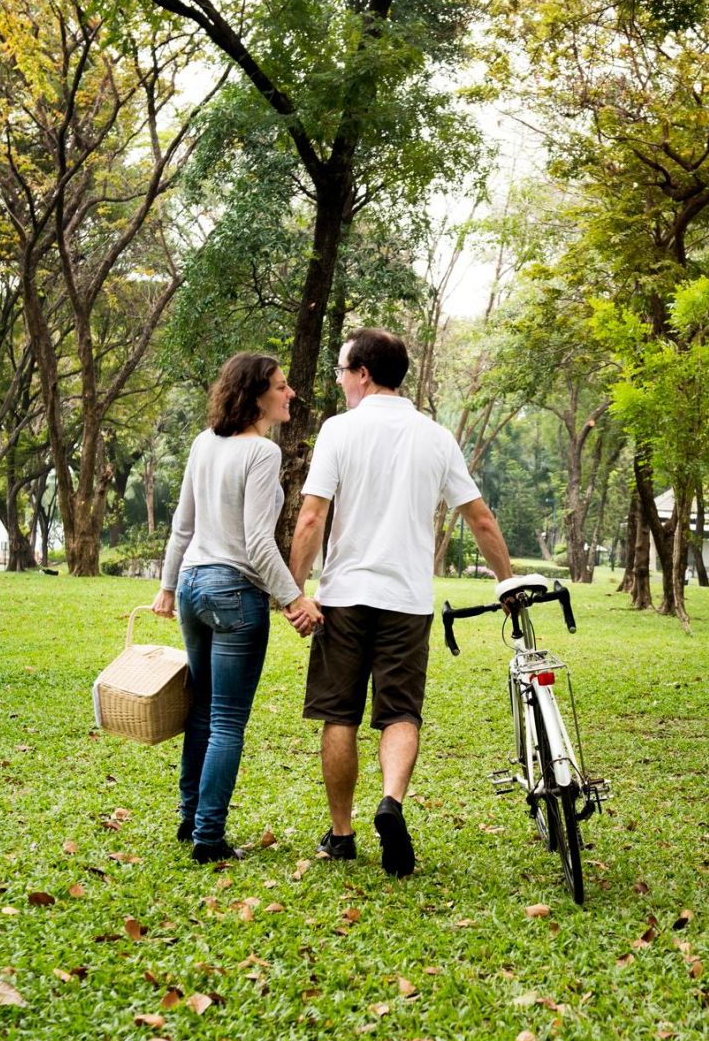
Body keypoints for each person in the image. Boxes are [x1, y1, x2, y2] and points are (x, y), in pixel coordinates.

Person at [287, 326, 514, 877]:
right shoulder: (435, 436)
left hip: (343, 599)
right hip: (407, 601)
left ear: (363, 373)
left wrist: (294, 591)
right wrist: (505, 581)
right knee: (401, 712)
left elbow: (313, 516)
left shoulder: (339, 432)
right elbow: (479, 517)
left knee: (338, 713)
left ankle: (342, 836)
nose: (340, 381)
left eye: (342, 371)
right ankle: (391, 802)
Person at [153, 351, 321, 862]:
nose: (290, 393)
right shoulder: (262, 453)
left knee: (201, 713)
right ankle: (209, 837)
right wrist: (296, 599)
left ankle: (190, 819)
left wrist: (165, 586)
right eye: (280, 385)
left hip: (191, 587)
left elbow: (183, 524)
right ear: (255, 397)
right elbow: (257, 543)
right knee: (225, 719)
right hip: (233, 594)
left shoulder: (205, 443)